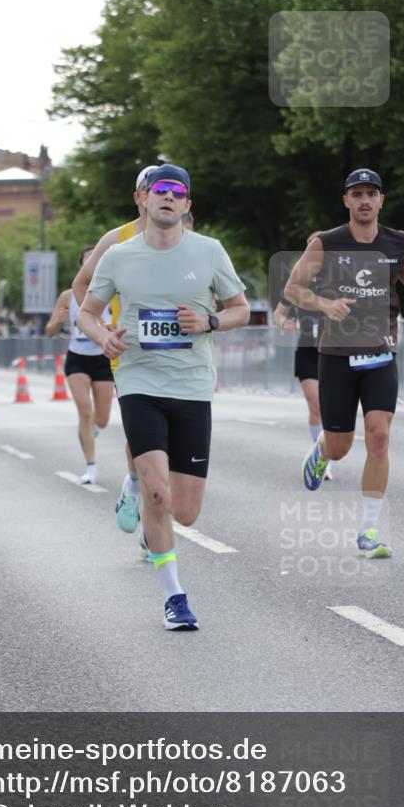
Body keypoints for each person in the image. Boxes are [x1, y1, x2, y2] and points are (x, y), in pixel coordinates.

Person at [78, 164, 250, 630]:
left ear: (187, 204)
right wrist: (102, 337)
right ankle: (175, 596)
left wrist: (210, 322)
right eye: (161, 191)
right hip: (139, 381)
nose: (169, 198)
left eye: (178, 192)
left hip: (193, 385)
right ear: (144, 200)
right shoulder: (118, 254)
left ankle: (138, 490)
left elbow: (241, 310)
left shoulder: (210, 251)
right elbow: (87, 313)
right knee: (157, 490)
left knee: (187, 511)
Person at [285, 168, 404, 558]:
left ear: (381, 200)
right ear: (347, 201)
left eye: (372, 193)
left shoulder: (399, 243)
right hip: (336, 356)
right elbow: (294, 288)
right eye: (357, 194)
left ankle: (369, 529)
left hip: (381, 352)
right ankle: (321, 451)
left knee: (379, 436)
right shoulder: (325, 242)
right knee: (340, 446)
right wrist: (324, 303)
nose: (365, 200)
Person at [72, 165, 158, 534]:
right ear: (140, 196)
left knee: (168, 450)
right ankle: (137, 489)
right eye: (152, 188)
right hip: (131, 352)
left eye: (169, 189)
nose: (161, 196)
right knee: (144, 438)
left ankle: (148, 514)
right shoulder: (116, 239)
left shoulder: (189, 240)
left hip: (180, 355)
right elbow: (81, 285)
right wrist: (99, 326)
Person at [45, 246, 115, 484]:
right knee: (84, 411)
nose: (92, 268)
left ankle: (91, 429)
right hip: (77, 357)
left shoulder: (112, 294)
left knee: (102, 420)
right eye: (88, 263)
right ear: (81, 268)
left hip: (104, 359)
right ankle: (91, 467)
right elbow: (49, 331)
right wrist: (57, 321)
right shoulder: (68, 296)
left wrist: (112, 329)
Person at [273, 233, 332, 480]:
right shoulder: (297, 284)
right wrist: (283, 322)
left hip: (332, 352)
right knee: (316, 406)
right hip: (307, 352)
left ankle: (323, 449)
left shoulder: (335, 282)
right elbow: (278, 314)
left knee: (330, 409)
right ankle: (323, 460)